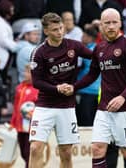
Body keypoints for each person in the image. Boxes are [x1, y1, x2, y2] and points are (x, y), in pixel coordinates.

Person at [61, 8, 126, 168]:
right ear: (101, 25)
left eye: (114, 22)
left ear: (120, 23)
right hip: (104, 109)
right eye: (107, 23)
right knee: (97, 148)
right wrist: (74, 87)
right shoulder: (99, 48)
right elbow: (91, 75)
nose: (111, 26)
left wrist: (123, 96)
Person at [29, 12, 93, 168]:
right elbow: (36, 82)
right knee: (35, 148)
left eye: (61, 28)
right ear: (46, 31)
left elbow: (95, 57)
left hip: (66, 107)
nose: (59, 32)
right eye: (55, 30)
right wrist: (57, 88)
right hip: (44, 106)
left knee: (65, 152)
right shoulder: (39, 53)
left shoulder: (73, 45)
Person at [11, 64, 39, 168]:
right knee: (23, 152)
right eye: (25, 72)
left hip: (31, 128)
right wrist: (13, 123)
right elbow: (16, 107)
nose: (25, 74)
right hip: (20, 127)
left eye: (28, 72)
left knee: (29, 153)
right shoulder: (19, 88)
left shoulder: (38, 89)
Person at [76, 26, 101, 126]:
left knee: (84, 122)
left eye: (83, 36)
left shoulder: (85, 52)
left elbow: (77, 68)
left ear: (90, 37)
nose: (82, 38)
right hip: (97, 91)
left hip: (85, 91)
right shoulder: (99, 49)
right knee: (93, 121)